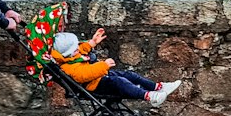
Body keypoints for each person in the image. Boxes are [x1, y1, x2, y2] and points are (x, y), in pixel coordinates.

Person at [52, 30, 180, 106]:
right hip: (95, 86)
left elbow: (81, 49)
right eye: (74, 49)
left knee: (130, 75)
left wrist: (92, 42)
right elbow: (85, 74)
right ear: (66, 54)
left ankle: (158, 87)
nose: (77, 49)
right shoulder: (68, 67)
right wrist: (104, 65)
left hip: (100, 78)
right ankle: (149, 96)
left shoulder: (71, 56)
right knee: (121, 82)